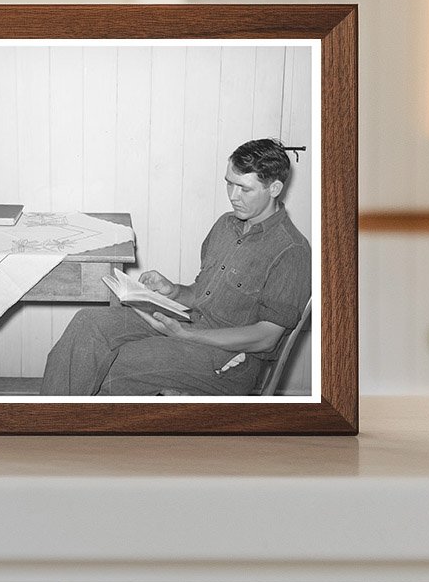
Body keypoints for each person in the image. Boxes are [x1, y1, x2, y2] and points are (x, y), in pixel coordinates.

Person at [39, 139, 311, 396]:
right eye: (229, 184)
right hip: (190, 324)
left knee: (121, 362)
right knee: (88, 323)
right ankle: (45, 425)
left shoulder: (291, 251)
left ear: (274, 188)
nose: (233, 196)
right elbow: (200, 293)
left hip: (230, 362)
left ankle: (69, 434)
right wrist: (173, 291)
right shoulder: (226, 225)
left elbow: (266, 338)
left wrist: (189, 335)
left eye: (245, 189)